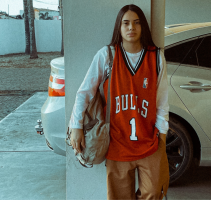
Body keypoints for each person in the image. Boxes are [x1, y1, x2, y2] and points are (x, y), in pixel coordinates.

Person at [69, 4, 169, 200]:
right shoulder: (107, 56)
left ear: (143, 27)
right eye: (126, 23)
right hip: (117, 143)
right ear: (119, 27)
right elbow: (84, 92)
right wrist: (76, 126)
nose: (131, 27)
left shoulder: (156, 57)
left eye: (136, 23)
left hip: (149, 141)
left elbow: (162, 102)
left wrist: (162, 138)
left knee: (154, 192)